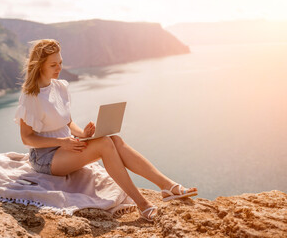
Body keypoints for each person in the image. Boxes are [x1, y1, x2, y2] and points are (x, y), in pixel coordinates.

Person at [14, 39, 198, 222]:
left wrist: (83, 134)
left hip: (67, 147)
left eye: (60, 62)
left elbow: (67, 123)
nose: (59, 68)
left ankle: (167, 186)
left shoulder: (60, 87)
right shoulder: (31, 96)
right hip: (46, 158)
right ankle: (143, 205)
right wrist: (61, 142)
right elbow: (27, 139)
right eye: (53, 64)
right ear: (39, 66)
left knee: (115, 140)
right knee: (104, 144)